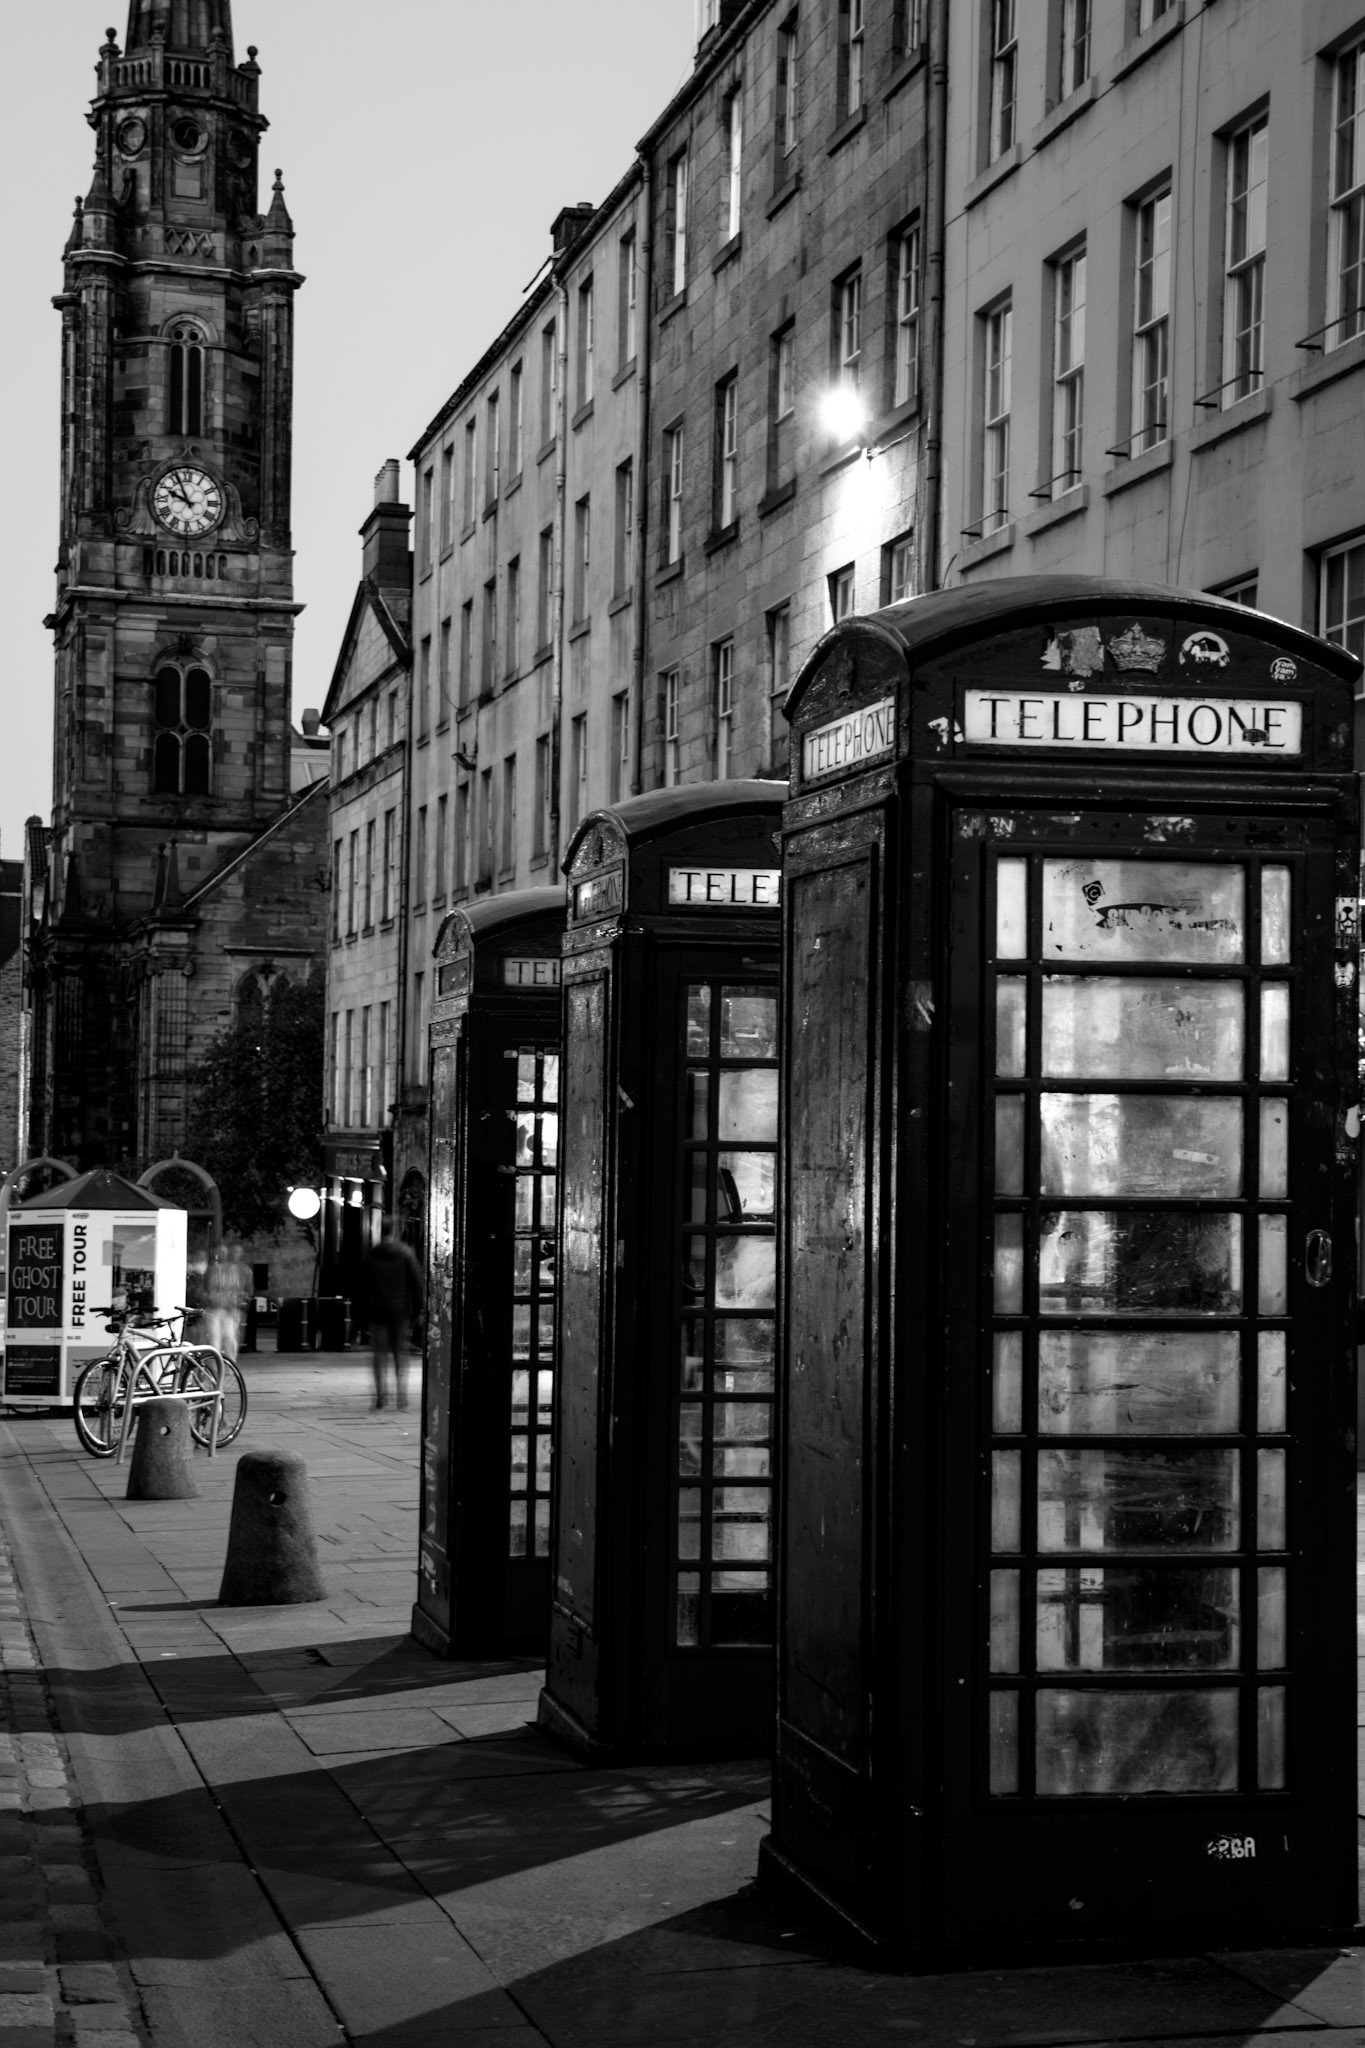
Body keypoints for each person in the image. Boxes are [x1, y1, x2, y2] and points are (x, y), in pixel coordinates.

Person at [357, 1220, 424, 1411]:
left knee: (379, 1353)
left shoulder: (372, 1254)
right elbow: (416, 1284)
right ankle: (401, 1396)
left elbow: (361, 1285)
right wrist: (418, 1310)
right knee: (399, 1352)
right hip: (400, 1311)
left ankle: (380, 1396)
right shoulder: (406, 1253)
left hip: (377, 1310)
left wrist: (363, 1312)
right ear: (395, 1231)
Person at [202, 1240, 250, 1360]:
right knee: (214, 1339)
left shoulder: (233, 1270)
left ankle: (230, 1365)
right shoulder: (210, 1269)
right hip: (214, 1308)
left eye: (224, 1252)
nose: (222, 1255)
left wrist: (236, 1304)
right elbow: (205, 1289)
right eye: (219, 1252)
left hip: (229, 1309)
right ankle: (215, 1365)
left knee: (229, 1338)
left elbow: (240, 1289)